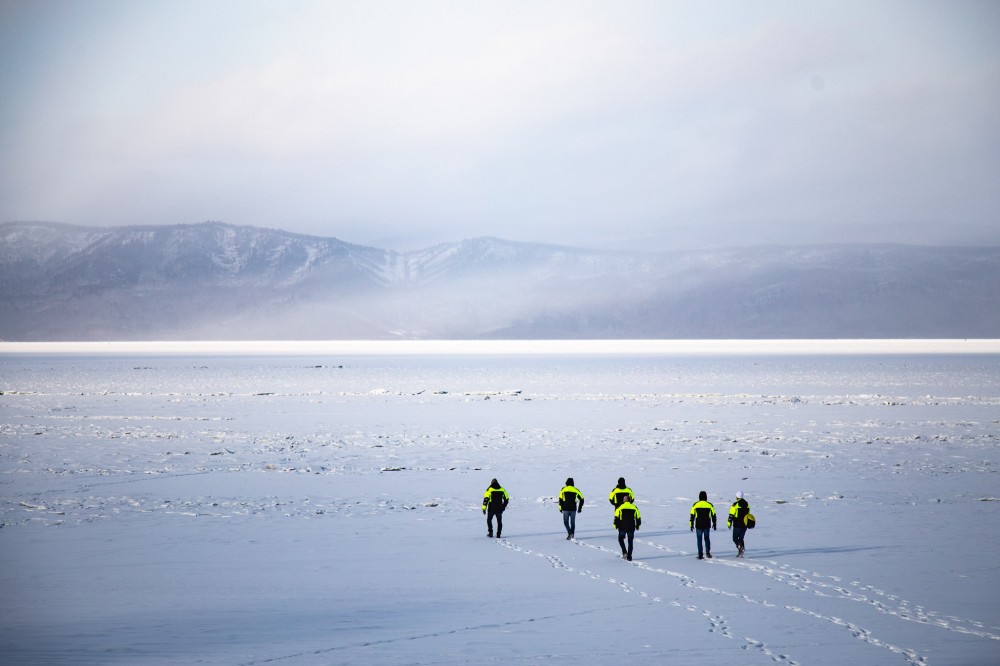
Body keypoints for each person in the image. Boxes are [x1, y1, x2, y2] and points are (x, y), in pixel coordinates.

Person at [690, 490, 717, 559]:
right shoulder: (710, 505)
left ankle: (700, 554)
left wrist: (691, 524)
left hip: (698, 525)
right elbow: (713, 515)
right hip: (707, 525)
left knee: (699, 540)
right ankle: (707, 553)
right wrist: (714, 523)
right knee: (707, 539)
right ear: (706, 497)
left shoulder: (695, 504)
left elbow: (692, 515)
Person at [728, 490, 750, 557]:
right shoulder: (747, 504)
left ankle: (740, 548)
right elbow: (748, 514)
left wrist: (729, 523)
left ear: (736, 496)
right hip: (745, 524)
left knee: (735, 538)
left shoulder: (735, 505)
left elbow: (731, 515)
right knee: (741, 538)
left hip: (737, 524)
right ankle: (741, 552)